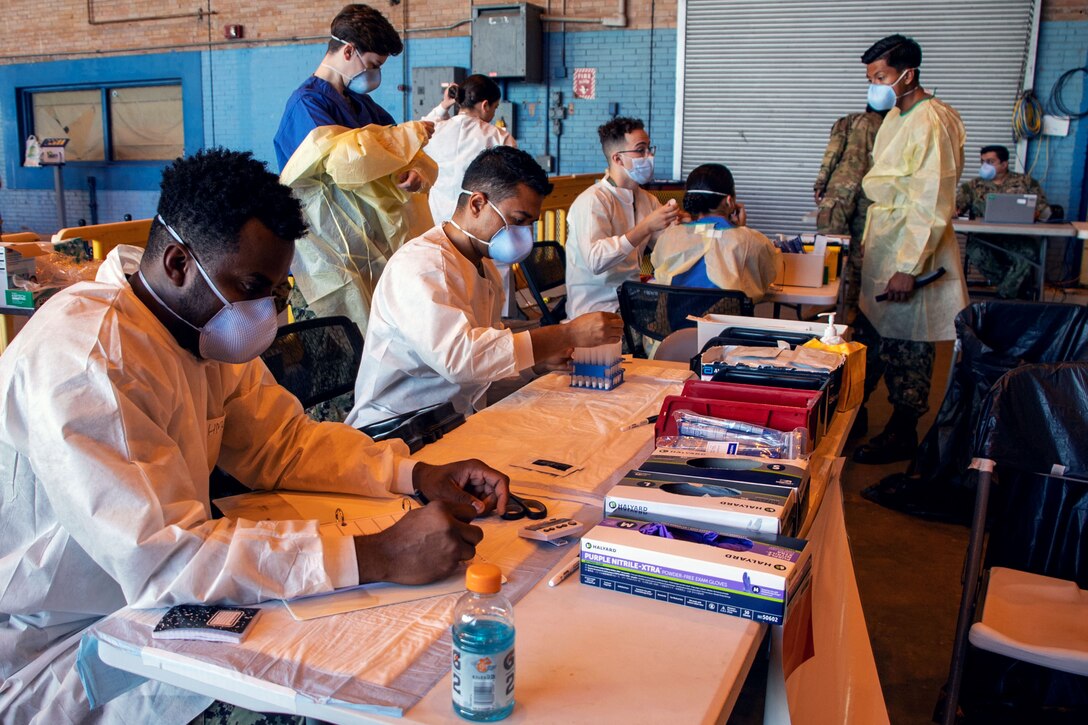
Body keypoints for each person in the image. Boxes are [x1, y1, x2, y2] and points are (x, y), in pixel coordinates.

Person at [0, 149, 509, 722]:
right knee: (337, 675)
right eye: (251, 286)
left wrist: (413, 474)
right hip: (56, 641)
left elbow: (284, 445)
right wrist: (378, 552)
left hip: (147, 595)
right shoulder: (87, 362)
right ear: (177, 264)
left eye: (276, 291)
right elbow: (163, 563)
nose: (265, 311)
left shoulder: (199, 326)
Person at [345, 146, 624, 428]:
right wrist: (566, 333)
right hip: (397, 430)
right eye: (517, 221)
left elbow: (479, 380)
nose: (523, 235)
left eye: (529, 224)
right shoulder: (421, 266)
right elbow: (463, 361)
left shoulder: (482, 266)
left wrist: (533, 368)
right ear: (477, 204)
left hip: (452, 422)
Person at [275, 4, 438, 344]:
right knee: (338, 357)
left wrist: (412, 173)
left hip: (368, 249)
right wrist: (404, 138)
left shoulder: (362, 106)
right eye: (374, 65)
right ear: (348, 50)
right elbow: (345, 164)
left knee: (379, 346)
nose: (376, 75)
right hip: (326, 258)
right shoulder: (306, 106)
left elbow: (395, 152)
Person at [850, 34, 968, 467]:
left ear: (908, 74)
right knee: (870, 337)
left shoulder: (932, 120)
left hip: (910, 250)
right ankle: (854, 417)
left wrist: (908, 266)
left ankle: (902, 431)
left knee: (907, 344)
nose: (875, 85)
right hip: (886, 242)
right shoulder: (897, 116)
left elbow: (931, 201)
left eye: (880, 76)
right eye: (871, 78)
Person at [565, 117, 680, 318]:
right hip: (596, 309)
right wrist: (646, 227)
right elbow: (596, 260)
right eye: (641, 150)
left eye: (650, 149)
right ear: (618, 159)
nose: (649, 156)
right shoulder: (593, 200)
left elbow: (671, 249)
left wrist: (681, 227)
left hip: (633, 301)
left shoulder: (647, 199)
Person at [423, 75, 519, 313]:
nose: (494, 114)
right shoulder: (498, 137)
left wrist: (443, 105)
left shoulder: (436, 130)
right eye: (495, 108)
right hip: (484, 230)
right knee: (490, 302)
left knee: (447, 297)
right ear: (485, 105)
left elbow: (422, 126)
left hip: (439, 228)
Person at [651, 163, 777, 302]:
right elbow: (763, 280)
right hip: (724, 322)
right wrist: (742, 231)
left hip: (676, 322)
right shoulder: (751, 240)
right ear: (730, 201)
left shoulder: (670, 236)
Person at [813, 106, 886, 321]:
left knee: (830, 246)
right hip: (873, 192)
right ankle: (854, 309)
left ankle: (824, 304)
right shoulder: (891, 125)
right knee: (861, 253)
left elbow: (832, 152)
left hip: (842, 188)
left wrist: (821, 181)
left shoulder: (848, 121)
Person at [956, 144, 1053, 299]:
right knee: (976, 253)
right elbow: (956, 208)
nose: (984, 166)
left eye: (990, 162)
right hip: (984, 239)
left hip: (1016, 238)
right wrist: (954, 210)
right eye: (982, 162)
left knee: (1029, 252)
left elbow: (1044, 210)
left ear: (1004, 164)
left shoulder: (1026, 182)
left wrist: (1034, 214)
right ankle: (1014, 291)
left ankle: (1004, 295)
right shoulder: (972, 186)